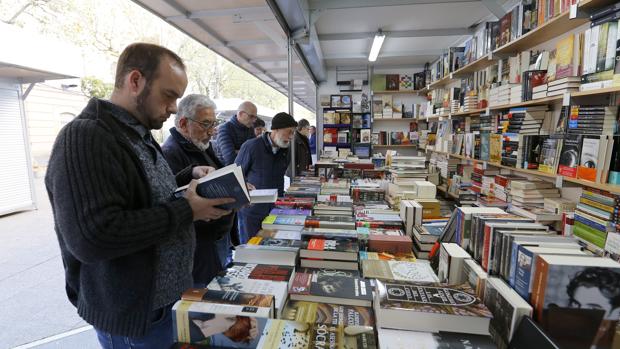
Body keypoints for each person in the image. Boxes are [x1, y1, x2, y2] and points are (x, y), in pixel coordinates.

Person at [45, 43, 235, 349]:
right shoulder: (85, 137)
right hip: (138, 319)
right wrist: (187, 211)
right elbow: (94, 236)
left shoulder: (138, 135)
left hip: (168, 305)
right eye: (169, 95)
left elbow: (143, 199)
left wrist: (186, 180)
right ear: (136, 81)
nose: (174, 107)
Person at [161, 94, 238, 286]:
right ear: (183, 123)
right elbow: (176, 201)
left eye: (213, 124)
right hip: (200, 246)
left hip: (216, 238)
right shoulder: (171, 152)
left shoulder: (200, 145)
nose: (212, 131)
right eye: (205, 124)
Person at [235, 112, 297, 242]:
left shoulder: (285, 150)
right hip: (252, 213)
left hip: (274, 212)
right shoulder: (251, 146)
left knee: (269, 249)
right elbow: (236, 176)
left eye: (293, 133)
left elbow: (280, 178)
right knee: (251, 249)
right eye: (289, 132)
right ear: (276, 129)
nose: (291, 137)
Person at [217, 101, 257, 165]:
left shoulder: (250, 129)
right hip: (225, 170)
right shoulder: (225, 128)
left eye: (255, 117)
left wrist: (237, 151)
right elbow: (230, 159)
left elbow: (256, 152)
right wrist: (248, 151)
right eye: (251, 116)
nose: (254, 120)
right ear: (240, 114)